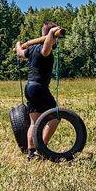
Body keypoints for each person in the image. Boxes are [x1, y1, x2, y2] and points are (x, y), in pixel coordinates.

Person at [15, 21, 63, 160]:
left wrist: (18, 44)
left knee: (34, 123)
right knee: (56, 116)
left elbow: (20, 53)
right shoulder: (44, 49)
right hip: (39, 87)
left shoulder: (31, 48)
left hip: (30, 87)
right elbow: (46, 49)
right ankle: (41, 149)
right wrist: (51, 33)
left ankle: (31, 153)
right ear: (51, 35)